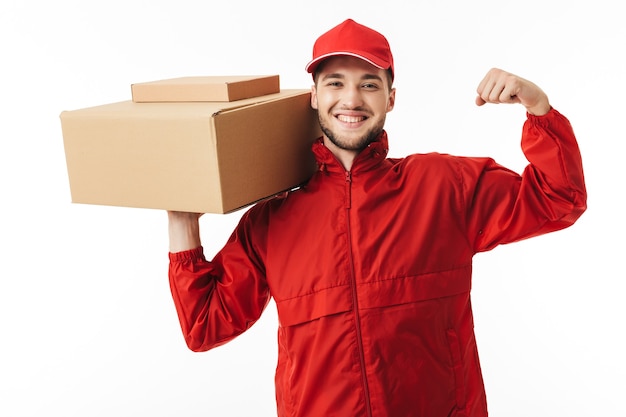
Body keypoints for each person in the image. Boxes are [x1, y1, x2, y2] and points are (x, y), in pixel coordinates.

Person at [167, 18, 586, 417]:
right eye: (335, 83)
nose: (351, 99)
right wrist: (182, 221)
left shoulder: (443, 187)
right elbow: (205, 325)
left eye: (369, 85)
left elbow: (559, 198)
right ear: (314, 96)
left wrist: (538, 108)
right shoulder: (272, 221)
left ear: (390, 98)